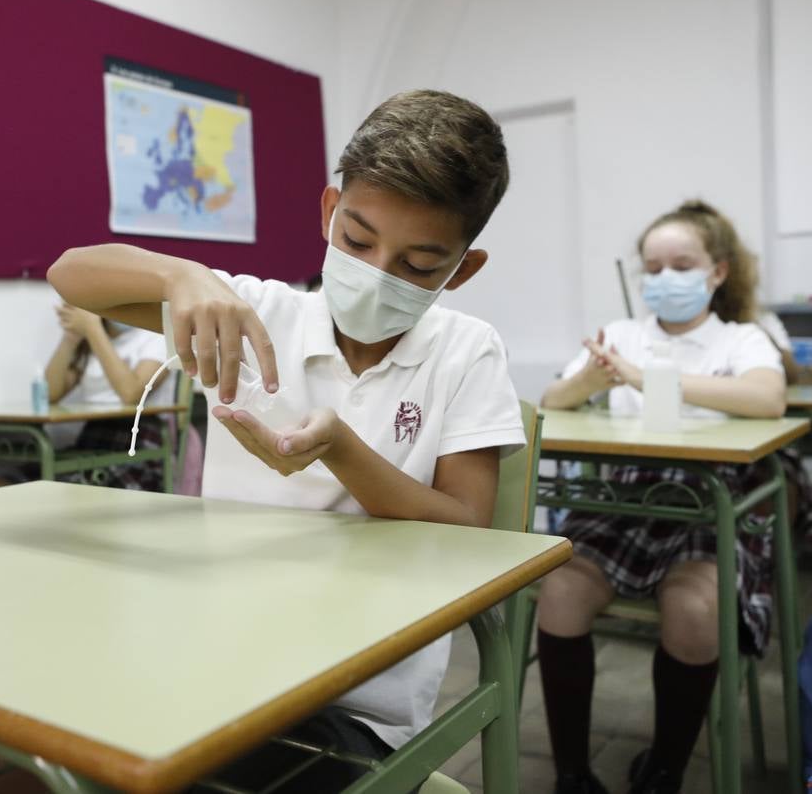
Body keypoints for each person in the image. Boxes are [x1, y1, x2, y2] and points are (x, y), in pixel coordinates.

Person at [48, 89, 524, 792]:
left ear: (463, 268)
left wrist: (342, 450)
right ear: (330, 212)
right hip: (221, 661)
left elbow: (468, 525)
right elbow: (71, 275)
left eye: (420, 265)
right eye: (359, 241)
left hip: (360, 699)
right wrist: (182, 275)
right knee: (73, 728)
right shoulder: (253, 312)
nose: (378, 274)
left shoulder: (466, 351)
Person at [538, 200, 812, 794]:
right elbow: (553, 402)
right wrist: (589, 381)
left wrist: (645, 379)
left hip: (712, 499)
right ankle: (570, 775)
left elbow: (768, 401)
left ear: (716, 272)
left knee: (694, 608)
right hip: (624, 495)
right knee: (559, 590)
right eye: (653, 268)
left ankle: (663, 770)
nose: (664, 279)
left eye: (681, 265)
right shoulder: (619, 336)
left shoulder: (742, 339)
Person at [44, 301, 172, 490]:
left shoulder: (156, 336)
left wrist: (93, 329)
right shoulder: (90, 341)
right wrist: (71, 338)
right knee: (12, 483)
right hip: (92, 438)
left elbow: (132, 394)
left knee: (69, 494)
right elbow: (49, 394)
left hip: (139, 439)